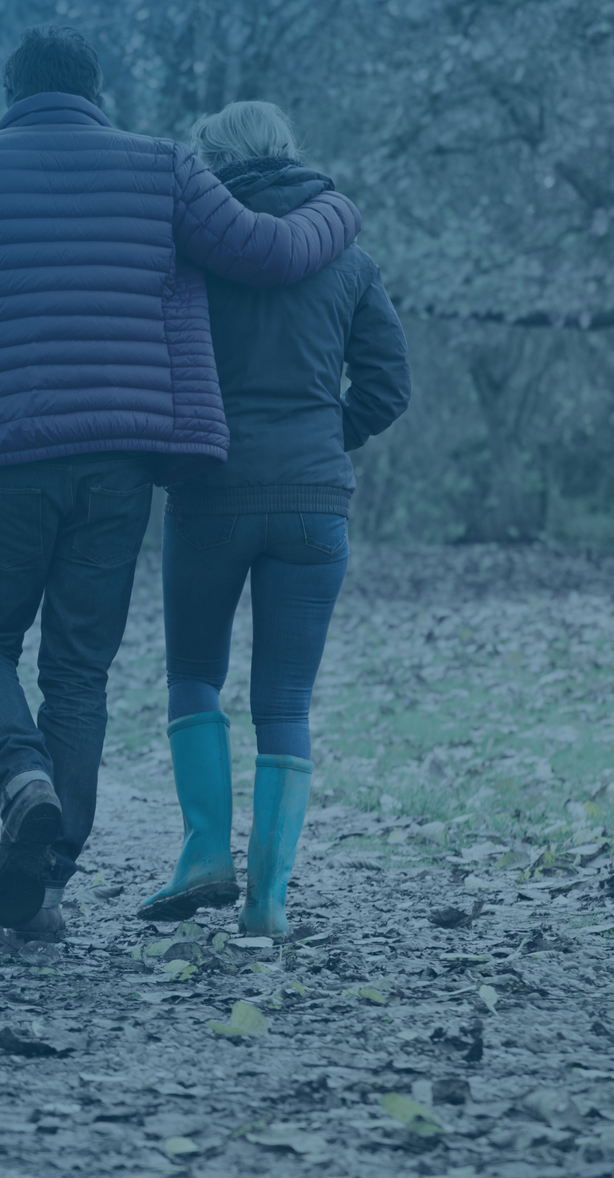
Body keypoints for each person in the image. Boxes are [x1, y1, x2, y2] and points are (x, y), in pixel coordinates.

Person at [0, 29, 362, 943]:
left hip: (0, 457)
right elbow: (272, 253)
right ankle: (46, 886)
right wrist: (340, 212)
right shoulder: (163, 168)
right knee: (78, 671)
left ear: (12, 91)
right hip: (123, 461)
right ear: (96, 90)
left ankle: (22, 782)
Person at [138, 100, 410, 937]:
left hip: (212, 495)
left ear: (211, 164)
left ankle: (205, 851)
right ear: (291, 151)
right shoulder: (351, 261)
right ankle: (268, 901)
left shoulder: (192, 257)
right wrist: (327, 438)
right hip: (314, 504)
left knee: (194, 675)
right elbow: (388, 389)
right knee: (284, 700)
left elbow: (156, 369)